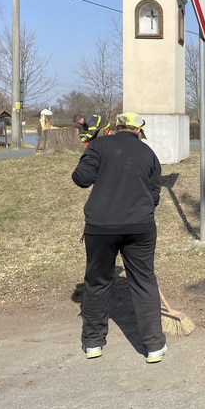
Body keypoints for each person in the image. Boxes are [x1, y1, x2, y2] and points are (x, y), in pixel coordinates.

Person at [72, 112, 167, 364]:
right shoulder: (148, 153)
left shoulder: (99, 146)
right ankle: (154, 346)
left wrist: (89, 150)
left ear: (117, 128)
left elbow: (81, 178)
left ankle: (93, 343)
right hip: (140, 227)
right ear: (138, 130)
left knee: (97, 283)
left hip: (100, 227)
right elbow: (154, 194)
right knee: (144, 282)